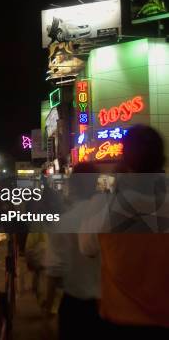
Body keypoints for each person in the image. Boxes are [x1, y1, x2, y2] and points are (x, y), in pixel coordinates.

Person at [79, 125, 169, 336]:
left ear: (125, 160)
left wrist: (110, 179)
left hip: (120, 320)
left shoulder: (109, 206)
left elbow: (86, 246)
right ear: (162, 160)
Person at [43, 162, 103, 339]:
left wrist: (47, 312)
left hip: (74, 306)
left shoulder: (65, 222)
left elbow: (54, 270)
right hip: (109, 306)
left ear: (72, 185)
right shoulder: (110, 217)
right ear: (96, 184)